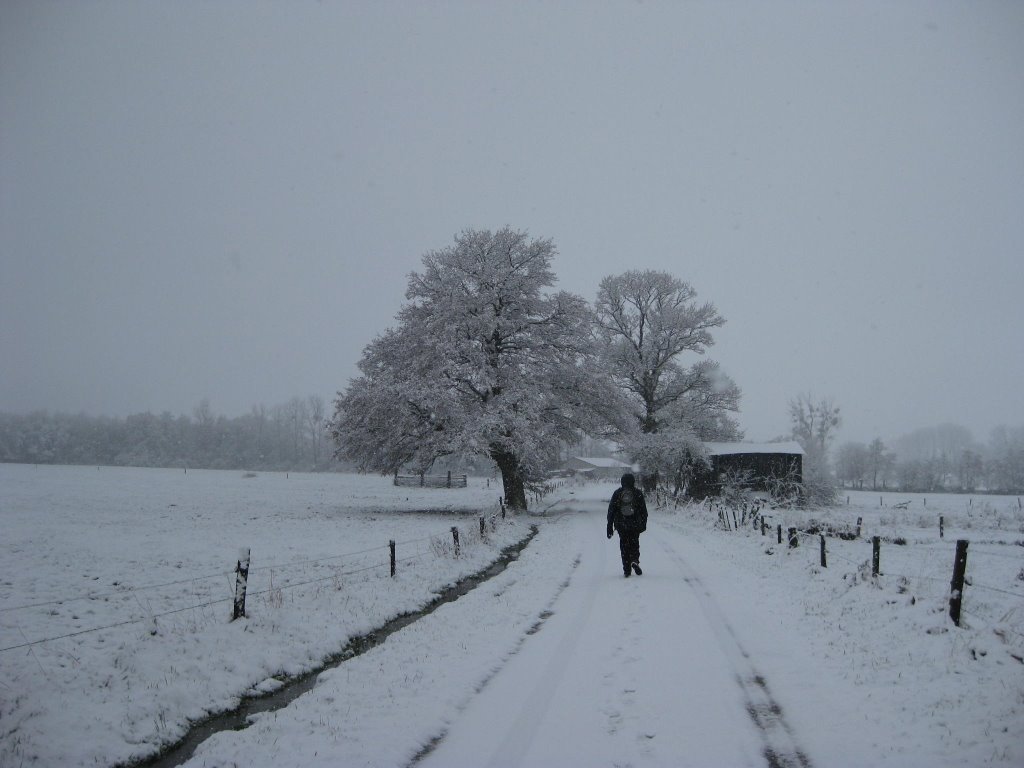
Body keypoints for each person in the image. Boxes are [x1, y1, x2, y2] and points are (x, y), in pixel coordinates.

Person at [607, 473, 648, 577]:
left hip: (621, 525)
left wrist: (609, 527)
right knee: (634, 544)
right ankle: (634, 560)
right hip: (635, 524)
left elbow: (611, 511)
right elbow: (644, 511)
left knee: (624, 545)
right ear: (633, 481)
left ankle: (626, 569)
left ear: (622, 482)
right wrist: (643, 524)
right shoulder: (637, 493)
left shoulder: (617, 493)